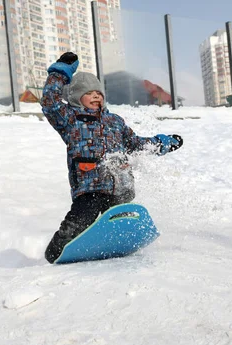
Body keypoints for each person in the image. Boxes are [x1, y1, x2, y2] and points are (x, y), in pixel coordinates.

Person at [41, 52, 183, 264]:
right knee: (83, 216)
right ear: (75, 98)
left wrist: (160, 144)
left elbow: (135, 144)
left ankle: (117, 243)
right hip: (89, 185)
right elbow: (50, 101)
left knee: (121, 215)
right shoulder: (70, 119)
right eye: (89, 93)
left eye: (98, 92)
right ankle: (58, 247)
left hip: (120, 184)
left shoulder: (115, 121)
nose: (96, 96)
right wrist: (60, 72)